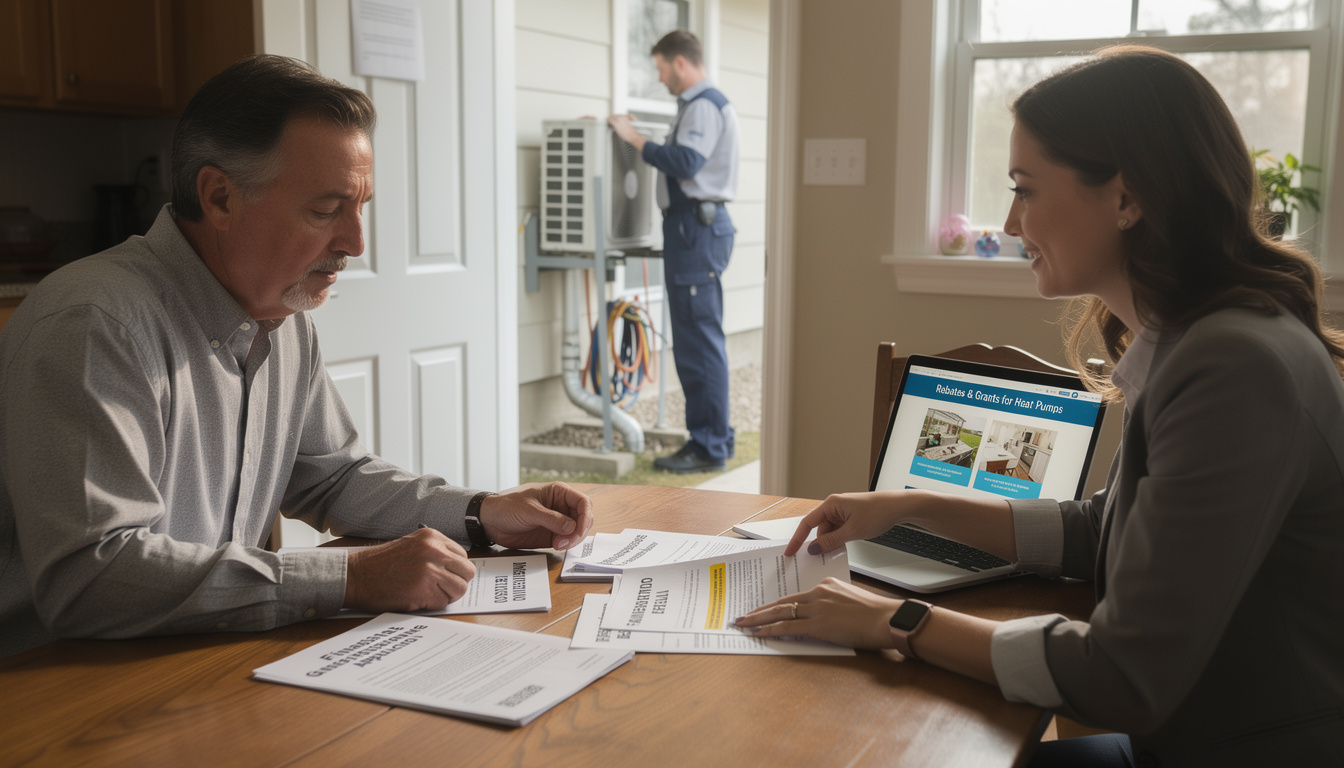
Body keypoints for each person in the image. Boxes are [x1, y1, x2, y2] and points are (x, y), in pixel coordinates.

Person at [736, 46, 1344, 766]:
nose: (1010, 222)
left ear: (1126, 197)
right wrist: (907, 504)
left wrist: (893, 619)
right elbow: (1099, 531)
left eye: (1025, 188)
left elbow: (1121, 677)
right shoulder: (1201, 343)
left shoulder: (1232, 367)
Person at [0, 54, 594, 659]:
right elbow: (91, 576)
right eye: (325, 209)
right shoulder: (94, 324)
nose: (356, 243)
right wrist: (351, 578)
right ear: (220, 197)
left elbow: (333, 477)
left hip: (197, 661)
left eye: (361, 207)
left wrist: (480, 512)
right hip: (54, 689)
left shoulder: (280, 318)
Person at [608, 30, 739, 474]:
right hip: (693, 227)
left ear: (680, 63)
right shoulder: (702, 105)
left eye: (662, 69)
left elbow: (686, 163)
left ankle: (708, 447)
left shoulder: (703, 104)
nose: (661, 79)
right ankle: (713, 438)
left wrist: (635, 138)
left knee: (698, 343)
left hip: (695, 229)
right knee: (698, 339)